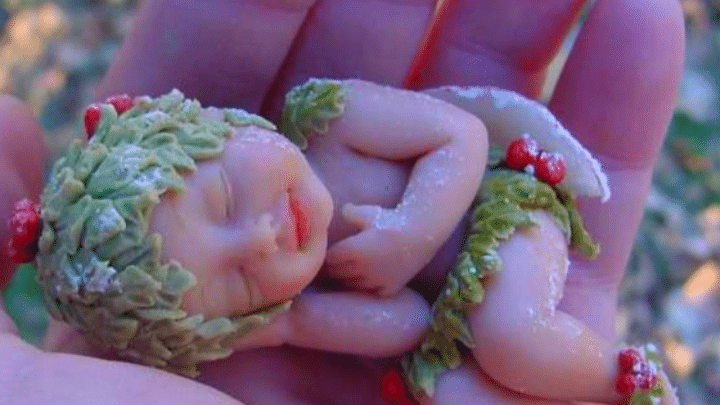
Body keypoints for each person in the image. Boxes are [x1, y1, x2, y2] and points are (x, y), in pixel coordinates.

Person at [0, 0, 684, 403]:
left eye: (228, 198)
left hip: (500, 214)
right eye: (239, 282)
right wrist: (290, 326)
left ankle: (629, 380)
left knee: (509, 335)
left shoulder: (331, 122)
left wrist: (411, 231)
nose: (261, 238)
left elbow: (461, 136)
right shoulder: (306, 296)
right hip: (458, 316)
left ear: (219, 127)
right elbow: (409, 322)